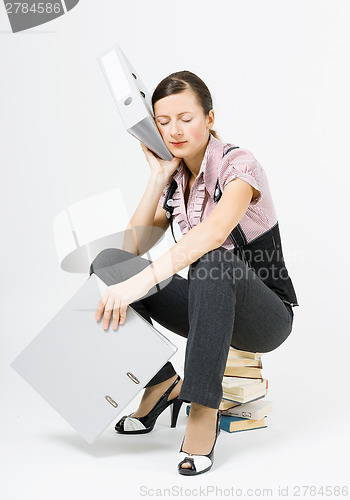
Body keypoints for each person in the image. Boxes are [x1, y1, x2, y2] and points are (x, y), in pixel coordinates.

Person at [89, 70, 298, 476]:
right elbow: (130, 249)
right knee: (109, 264)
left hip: (266, 316)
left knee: (214, 257)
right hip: (210, 307)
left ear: (210, 118)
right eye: (163, 122)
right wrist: (157, 178)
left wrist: (139, 284)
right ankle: (160, 382)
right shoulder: (176, 176)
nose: (175, 130)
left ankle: (203, 407)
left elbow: (214, 234)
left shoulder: (239, 165)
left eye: (185, 118)